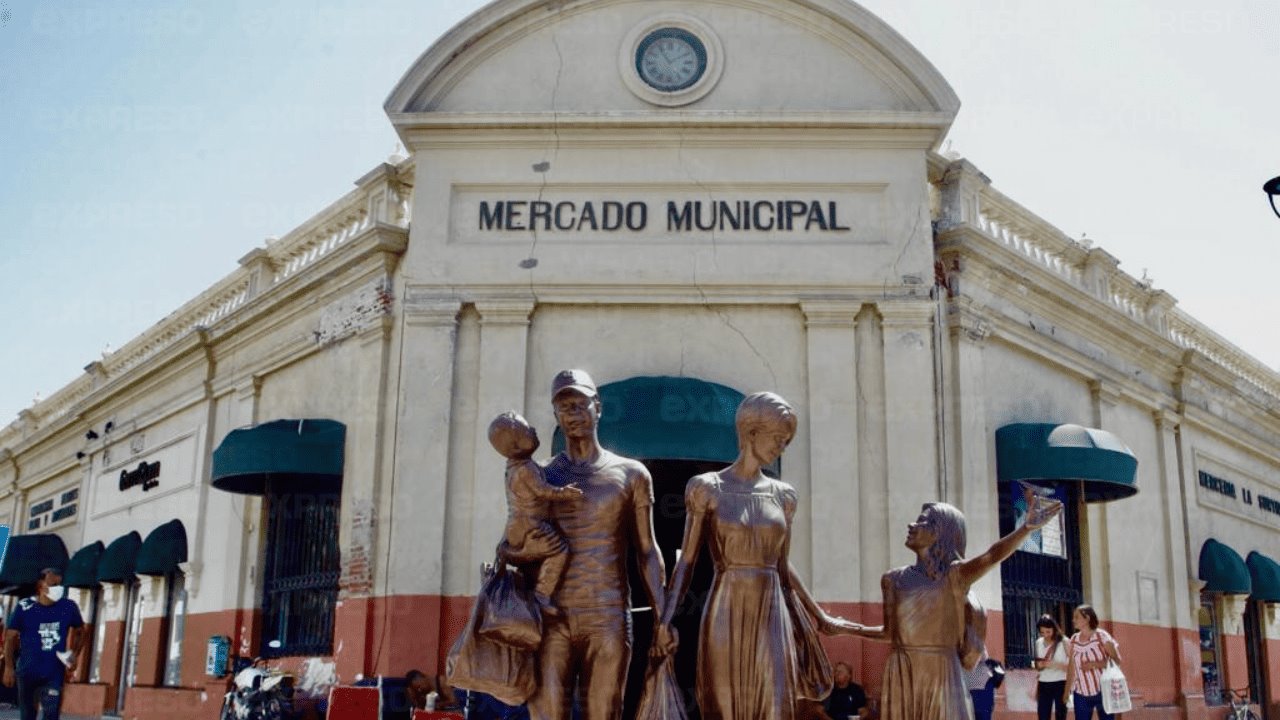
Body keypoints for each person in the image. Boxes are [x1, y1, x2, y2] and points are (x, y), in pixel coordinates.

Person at [656, 392, 852, 720]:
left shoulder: (784, 496)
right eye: (777, 438)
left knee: (777, 705)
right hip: (725, 610)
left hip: (772, 611)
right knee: (723, 708)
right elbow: (687, 561)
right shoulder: (707, 487)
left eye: (786, 442)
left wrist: (819, 615)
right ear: (751, 432)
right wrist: (665, 619)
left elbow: (782, 566)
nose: (781, 448)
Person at [513, 369, 668, 720]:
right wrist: (526, 550)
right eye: (564, 406)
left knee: (604, 713)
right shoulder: (540, 476)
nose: (573, 413)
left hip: (607, 616)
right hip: (552, 618)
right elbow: (511, 545)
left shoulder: (631, 474)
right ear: (555, 415)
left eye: (580, 404)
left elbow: (647, 549)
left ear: (597, 407)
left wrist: (663, 616)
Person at [835, 489, 1062, 720]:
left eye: (923, 521)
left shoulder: (954, 575)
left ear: (939, 532)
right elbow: (890, 633)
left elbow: (991, 556)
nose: (912, 525)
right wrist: (844, 628)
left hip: (940, 671)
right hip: (902, 669)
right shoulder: (893, 579)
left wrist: (1025, 529)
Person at [488, 410, 584, 615]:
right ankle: (542, 594)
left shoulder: (512, 468)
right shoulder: (526, 469)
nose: (533, 429)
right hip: (530, 525)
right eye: (527, 430)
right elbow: (543, 491)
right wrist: (564, 493)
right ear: (515, 446)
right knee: (559, 551)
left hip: (515, 527)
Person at [2, 568, 84, 720]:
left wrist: (74, 653)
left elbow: (81, 631)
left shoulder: (68, 607)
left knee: (51, 714)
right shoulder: (24, 607)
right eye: (53, 584)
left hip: (53, 672)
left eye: (60, 585)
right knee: (28, 715)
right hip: (28, 671)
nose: (58, 589)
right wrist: (8, 667)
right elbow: (10, 637)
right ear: (41, 585)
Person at [1064, 605, 1121, 720]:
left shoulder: (1101, 636)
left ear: (1087, 618)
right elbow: (1071, 667)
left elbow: (1117, 660)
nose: (1073, 620)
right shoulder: (1074, 639)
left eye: (1077, 617)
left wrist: (1094, 665)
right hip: (1080, 693)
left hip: (1104, 691)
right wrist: (1066, 691)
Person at [1034, 615, 1070, 720]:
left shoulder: (1064, 641)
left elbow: (1073, 666)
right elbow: (1035, 664)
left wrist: (1053, 664)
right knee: (1043, 715)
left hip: (1060, 683)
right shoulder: (1038, 642)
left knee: (1060, 715)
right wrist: (1038, 665)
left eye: (1048, 632)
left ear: (1054, 629)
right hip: (1043, 683)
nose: (1045, 635)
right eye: (1042, 632)